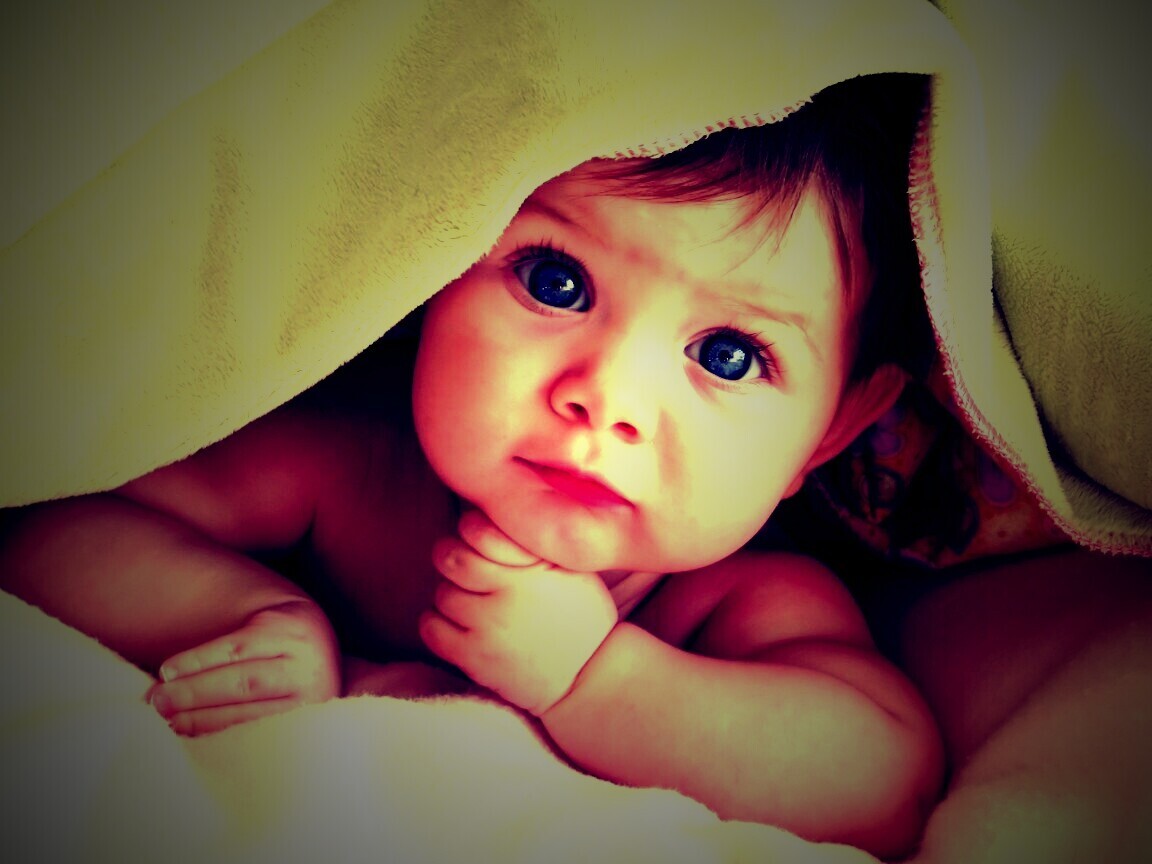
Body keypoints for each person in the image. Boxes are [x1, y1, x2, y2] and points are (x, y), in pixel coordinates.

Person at [0, 74, 943, 859]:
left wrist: (596, 678)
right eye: (555, 281)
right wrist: (243, 611)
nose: (607, 397)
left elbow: (882, 784)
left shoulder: (735, 604)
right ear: (430, 264)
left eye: (728, 356)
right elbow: (49, 527)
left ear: (829, 432)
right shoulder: (354, 469)